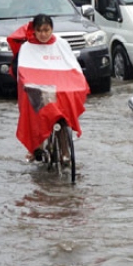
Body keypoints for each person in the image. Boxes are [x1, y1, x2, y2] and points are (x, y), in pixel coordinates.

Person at [13, 14, 90, 162]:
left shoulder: (61, 44)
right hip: (37, 88)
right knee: (36, 109)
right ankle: (37, 146)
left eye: (47, 30)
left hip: (60, 88)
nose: (43, 34)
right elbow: (23, 73)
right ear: (34, 30)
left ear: (52, 29)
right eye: (40, 31)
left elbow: (73, 67)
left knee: (65, 110)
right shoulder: (27, 47)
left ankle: (65, 148)